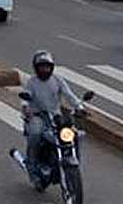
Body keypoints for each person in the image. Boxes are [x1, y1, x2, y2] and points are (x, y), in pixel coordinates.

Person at [18, 51, 84, 185]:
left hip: (55, 116)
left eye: (47, 67)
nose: (45, 70)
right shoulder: (32, 82)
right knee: (35, 134)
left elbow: (69, 95)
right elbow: (25, 97)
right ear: (36, 68)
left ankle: (73, 162)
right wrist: (26, 108)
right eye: (42, 67)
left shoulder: (57, 80)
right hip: (37, 116)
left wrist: (80, 107)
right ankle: (32, 167)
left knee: (74, 134)